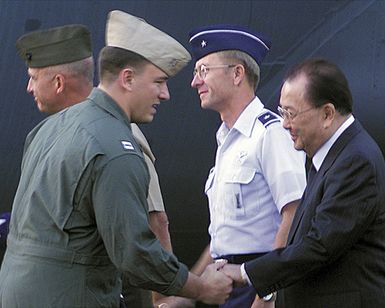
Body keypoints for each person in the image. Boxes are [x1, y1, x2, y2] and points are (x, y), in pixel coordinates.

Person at [0, 10, 232, 307]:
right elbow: (136, 254)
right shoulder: (116, 149)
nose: (165, 95)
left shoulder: (48, 128)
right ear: (128, 78)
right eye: (159, 82)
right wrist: (201, 289)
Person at [14, 23, 179, 308]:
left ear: (58, 82)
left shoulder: (120, 136)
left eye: (33, 78)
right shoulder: (56, 133)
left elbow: (155, 220)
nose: (28, 87)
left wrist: (162, 299)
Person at [221, 58, 385, 308]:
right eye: (282, 112)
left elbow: (319, 246)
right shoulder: (324, 154)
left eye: (291, 113)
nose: (285, 124)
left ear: (327, 114)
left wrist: (246, 272)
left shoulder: (356, 161)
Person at [186, 24, 306, 307]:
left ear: (237, 73)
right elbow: (224, 239)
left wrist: (267, 294)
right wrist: (190, 291)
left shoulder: (270, 134)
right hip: (229, 286)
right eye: (196, 72)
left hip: (258, 285)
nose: (195, 82)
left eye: (204, 71)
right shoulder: (227, 141)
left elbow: (295, 214)